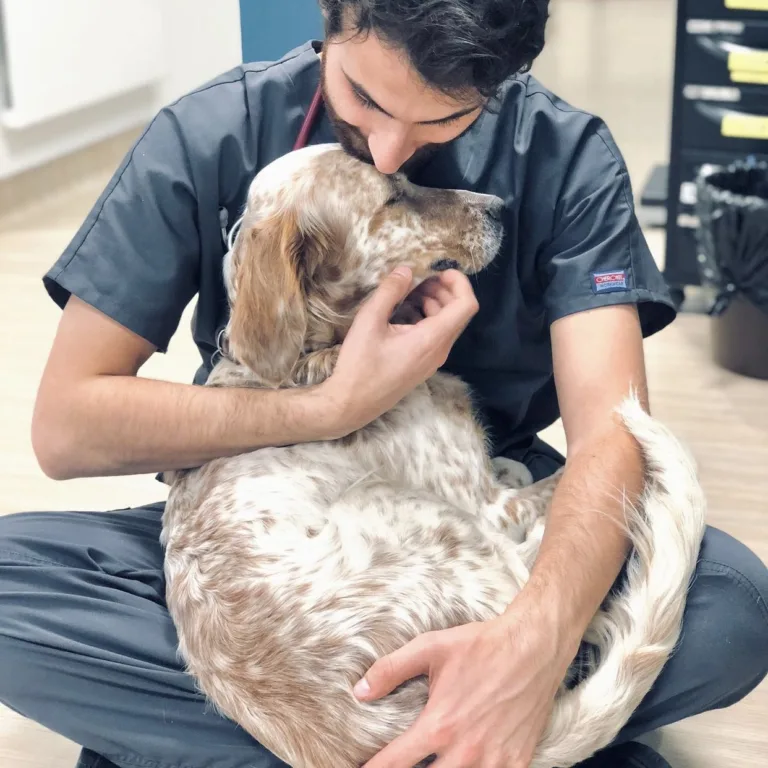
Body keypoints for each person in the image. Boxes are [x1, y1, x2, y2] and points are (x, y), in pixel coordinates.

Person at [0, 2, 766, 768]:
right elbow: (65, 428)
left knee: (736, 607)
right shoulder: (209, 132)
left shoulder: (568, 158)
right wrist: (330, 408)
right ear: (331, 18)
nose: (391, 152)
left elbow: (614, 434)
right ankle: (487, 736)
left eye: (446, 118)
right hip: (273, 498)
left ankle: (269, 736)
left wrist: (533, 638)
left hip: (488, 492)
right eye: (364, 98)